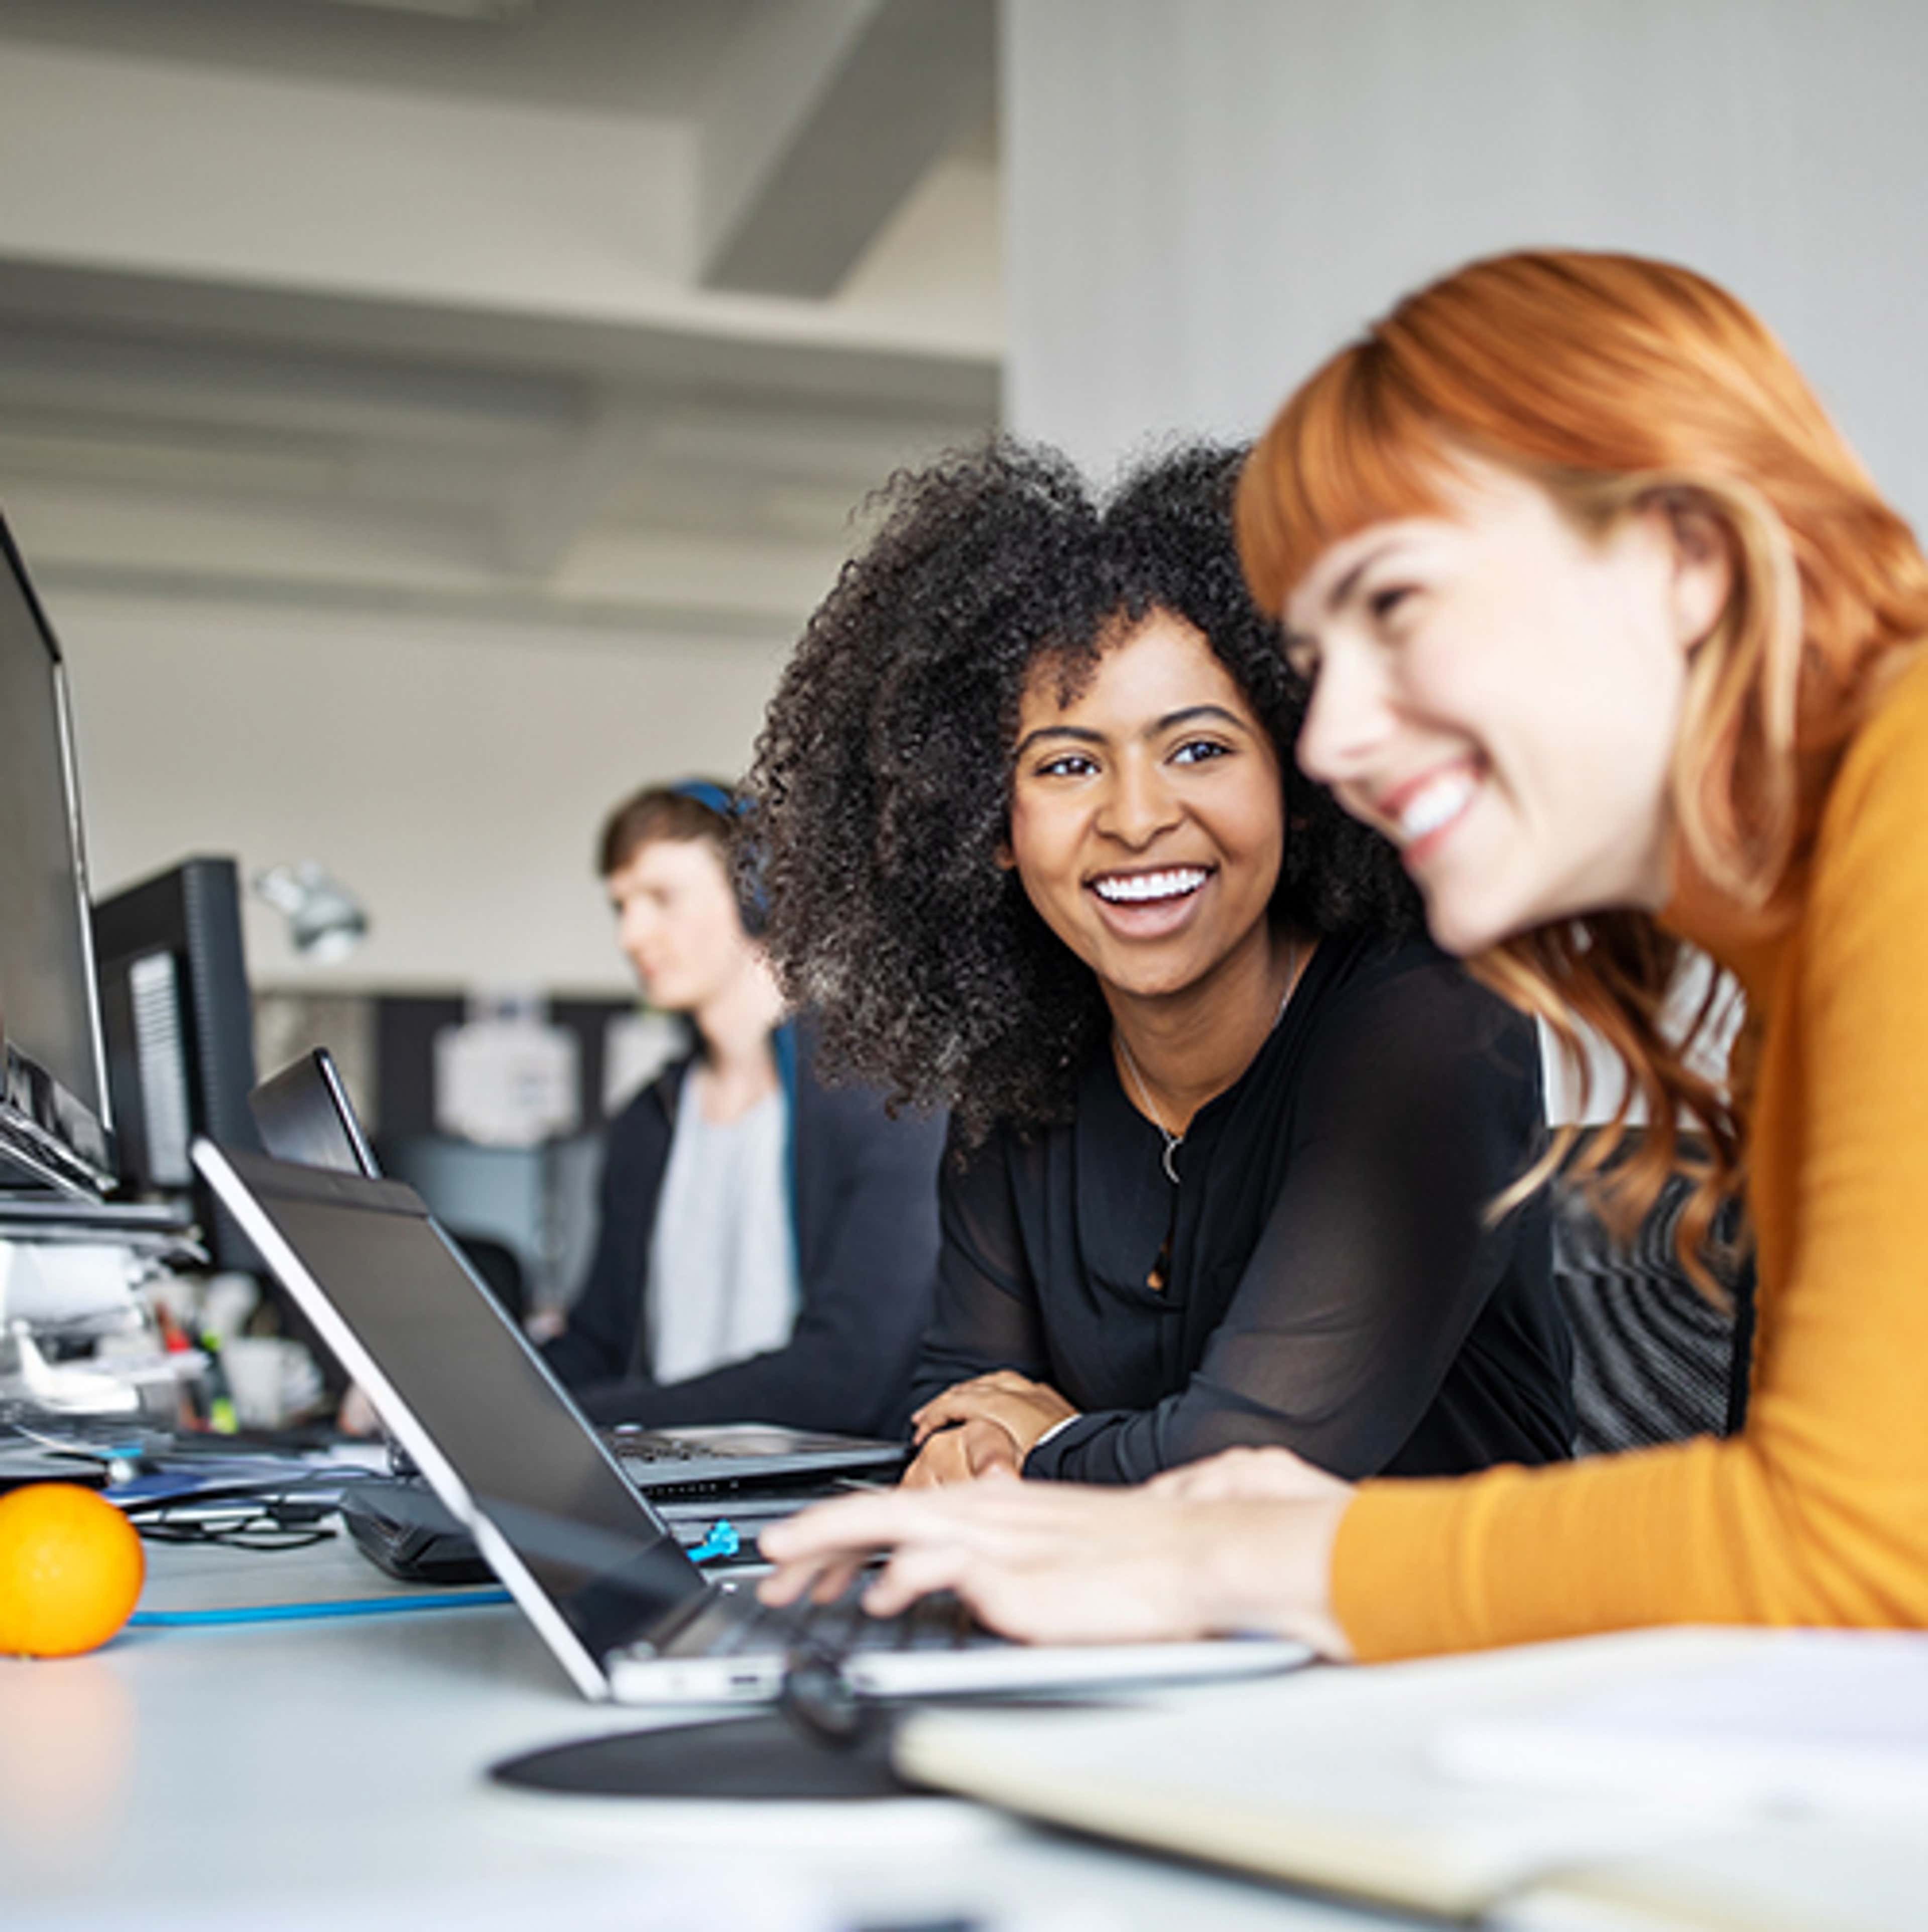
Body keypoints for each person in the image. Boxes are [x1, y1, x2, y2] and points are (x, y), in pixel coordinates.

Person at [757, 249, 1928, 1660]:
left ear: (1682, 557)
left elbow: (1862, 1548)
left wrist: (1247, 1553)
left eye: (1399, 608)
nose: (1333, 740)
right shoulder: (1804, 937)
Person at [747, 441, 1573, 1492]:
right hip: (1140, 1638)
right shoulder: (1019, 1081)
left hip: (1443, 1645)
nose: (1137, 818)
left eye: (1198, 750)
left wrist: (1043, 1446)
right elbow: (956, 1421)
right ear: (990, 824)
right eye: (1069, 765)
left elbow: (1251, 1467)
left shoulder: (1434, 1030)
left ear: (1301, 775)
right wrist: (1003, 1450)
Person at [541, 780, 946, 1435]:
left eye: (662, 899)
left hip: (817, 1500)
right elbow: (597, 1346)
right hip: (661, 1490)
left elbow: (846, 1376)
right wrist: (457, 1408)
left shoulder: (884, 1102)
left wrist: (581, 1423)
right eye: (621, 906)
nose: (632, 934)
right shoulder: (649, 1120)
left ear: (760, 895)